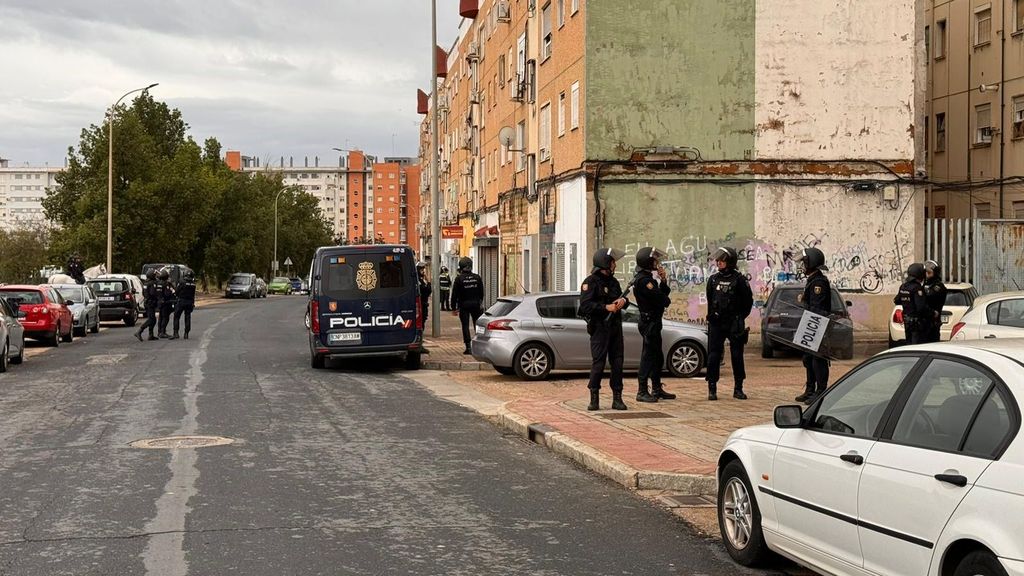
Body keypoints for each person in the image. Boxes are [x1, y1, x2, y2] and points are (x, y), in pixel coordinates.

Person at [579, 248, 629, 411]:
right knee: (598, 363)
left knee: (618, 362)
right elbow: (585, 306)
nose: (615, 265)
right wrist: (605, 307)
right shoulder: (590, 282)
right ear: (605, 264)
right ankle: (594, 398)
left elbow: (622, 297)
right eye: (613, 262)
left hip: (615, 328)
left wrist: (623, 302)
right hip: (599, 328)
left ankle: (617, 398)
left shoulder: (613, 282)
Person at [705, 247, 754, 401]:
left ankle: (738, 388)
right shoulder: (713, 279)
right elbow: (710, 299)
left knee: (737, 356)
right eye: (717, 260)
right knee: (713, 355)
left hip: (734, 323)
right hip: (717, 323)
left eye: (722, 260)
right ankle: (712, 388)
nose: (718, 262)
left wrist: (739, 318)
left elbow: (748, 302)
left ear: (730, 261)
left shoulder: (739, 279)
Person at [632, 247, 674, 403]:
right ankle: (642, 390)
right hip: (649, 322)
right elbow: (664, 300)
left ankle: (656, 388)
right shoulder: (645, 281)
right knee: (648, 356)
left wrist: (663, 281)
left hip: (654, 322)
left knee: (657, 356)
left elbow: (662, 297)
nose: (657, 263)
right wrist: (662, 290)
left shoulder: (647, 278)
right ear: (648, 262)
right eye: (655, 260)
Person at [795, 247, 832, 404]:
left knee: (818, 360)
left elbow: (816, 308)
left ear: (811, 262)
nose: (802, 265)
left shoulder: (819, 283)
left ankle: (820, 390)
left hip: (817, 326)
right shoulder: (811, 280)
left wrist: (803, 300)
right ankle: (810, 389)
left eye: (804, 262)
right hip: (809, 325)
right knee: (808, 359)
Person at [450, 257, 484, 355]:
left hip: (464, 305)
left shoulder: (459, 279)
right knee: (477, 325)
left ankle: (468, 347)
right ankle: (479, 346)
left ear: (461, 267)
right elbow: (482, 292)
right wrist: (480, 302)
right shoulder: (477, 277)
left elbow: (454, 295)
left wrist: (453, 308)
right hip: (476, 305)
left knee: (465, 326)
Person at [895, 263, 932, 346]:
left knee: (909, 343)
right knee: (917, 345)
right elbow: (921, 307)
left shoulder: (903, 287)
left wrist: (907, 302)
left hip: (907, 321)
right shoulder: (917, 288)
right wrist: (932, 313)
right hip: (917, 323)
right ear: (920, 274)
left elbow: (897, 300)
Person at [923, 259, 946, 343]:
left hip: (933, 323)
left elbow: (930, 296)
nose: (926, 275)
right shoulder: (924, 284)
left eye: (929, 273)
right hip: (922, 323)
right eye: (925, 273)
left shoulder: (938, 286)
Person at [170, 270, 197, 340]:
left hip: (181, 301)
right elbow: (193, 294)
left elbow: (177, 291)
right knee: (187, 317)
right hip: (189, 302)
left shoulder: (182, 282)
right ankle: (186, 333)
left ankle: (176, 333)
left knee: (176, 316)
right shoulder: (193, 284)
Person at [135, 270, 161, 342]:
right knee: (151, 319)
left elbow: (143, 293)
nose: (156, 276)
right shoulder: (152, 283)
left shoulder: (146, 283)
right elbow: (153, 293)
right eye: (154, 275)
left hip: (147, 302)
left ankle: (151, 335)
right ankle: (139, 331)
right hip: (151, 303)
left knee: (152, 319)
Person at [157, 269, 175, 338]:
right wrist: (171, 290)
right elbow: (168, 294)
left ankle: (159, 331)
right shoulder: (166, 284)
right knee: (165, 317)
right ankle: (163, 332)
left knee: (161, 317)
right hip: (165, 303)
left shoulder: (158, 283)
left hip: (159, 302)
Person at [417, 262, 432, 326]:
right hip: (422, 303)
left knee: (423, 319)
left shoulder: (421, 280)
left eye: (423, 270)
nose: (423, 272)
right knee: (422, 319)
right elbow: (427, 291)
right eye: (421, 270)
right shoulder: (419, 281)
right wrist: (428, 282)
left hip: (423, 303)